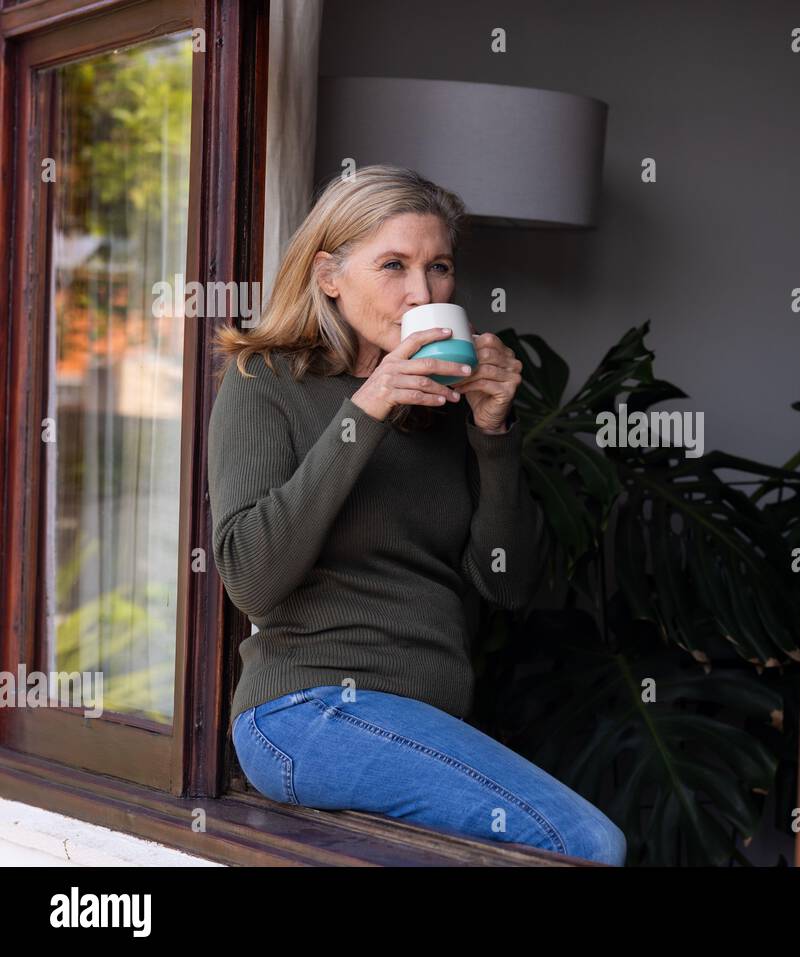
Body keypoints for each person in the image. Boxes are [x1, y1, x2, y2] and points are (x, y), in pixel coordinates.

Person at [206, 164, 626, 866]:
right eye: (394, 264)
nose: (421, 293)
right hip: (304, 713)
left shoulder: (444, 411)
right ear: (330, 275)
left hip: (418, 724)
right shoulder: (266, 382)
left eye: (439, 267)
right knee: (583, 843)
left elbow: (506, 583)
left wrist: (493, 434)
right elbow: (251, 576)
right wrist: (366, 408)